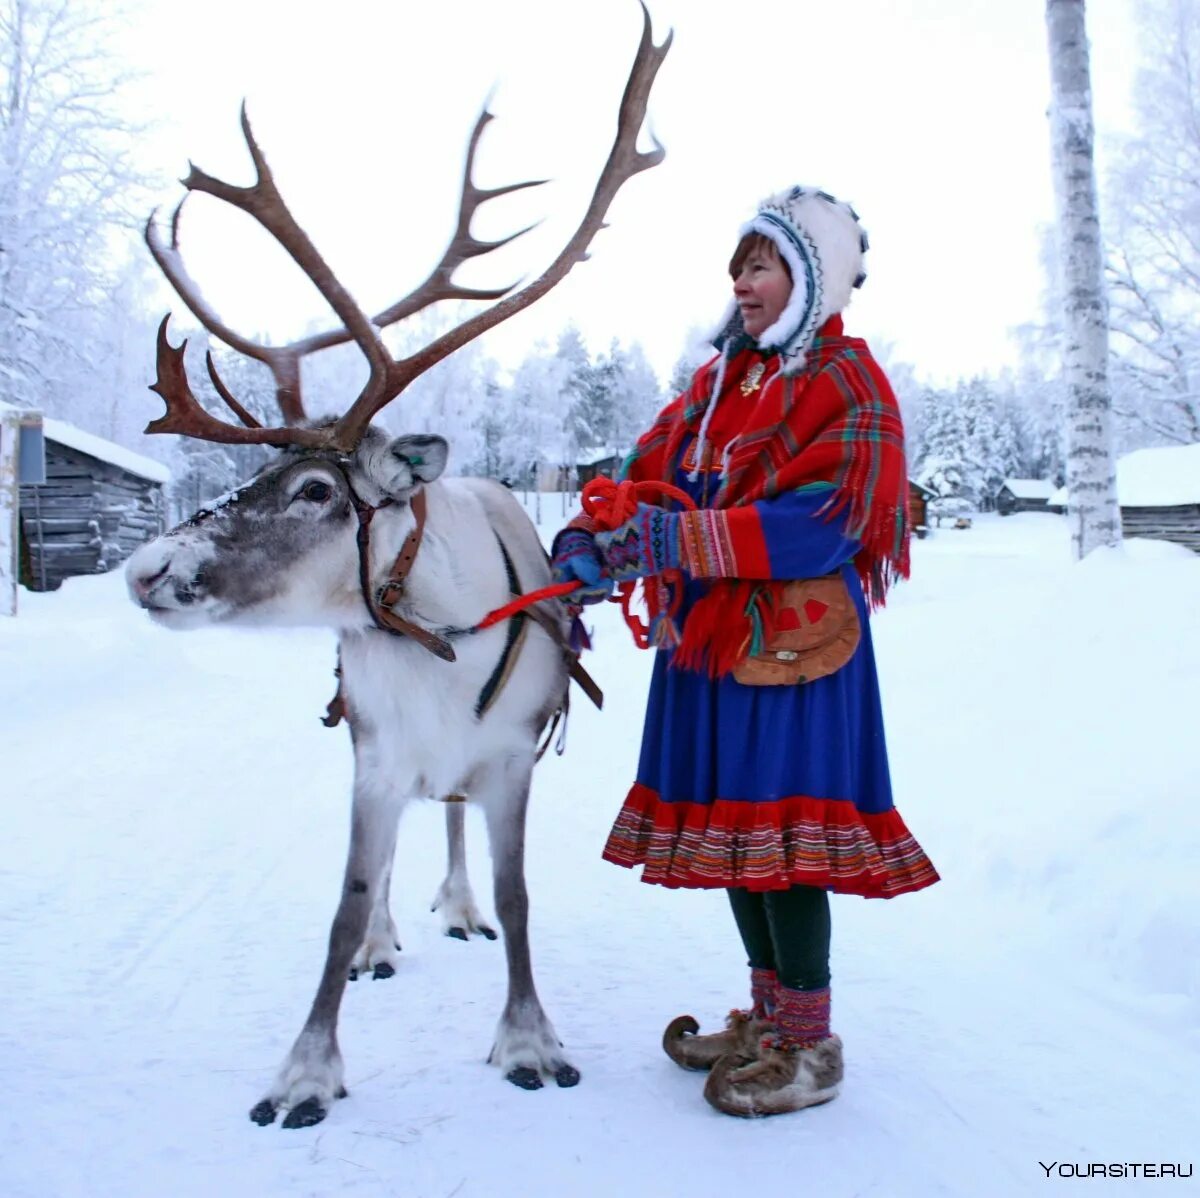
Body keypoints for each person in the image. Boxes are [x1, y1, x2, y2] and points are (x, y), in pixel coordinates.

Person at [550, 186, 939, 1118]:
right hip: (712, 647)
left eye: (761, 264)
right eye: (737, 267)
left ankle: (810, 1043)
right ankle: (770, 1018)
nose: (741, 283)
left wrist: (677, 545)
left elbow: (830, 523)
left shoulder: (847, 382)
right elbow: (642, 474)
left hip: (796, 652)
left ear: (810, 279)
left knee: (789, 844)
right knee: (738, 841)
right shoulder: (718, 385)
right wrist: (593, 535)